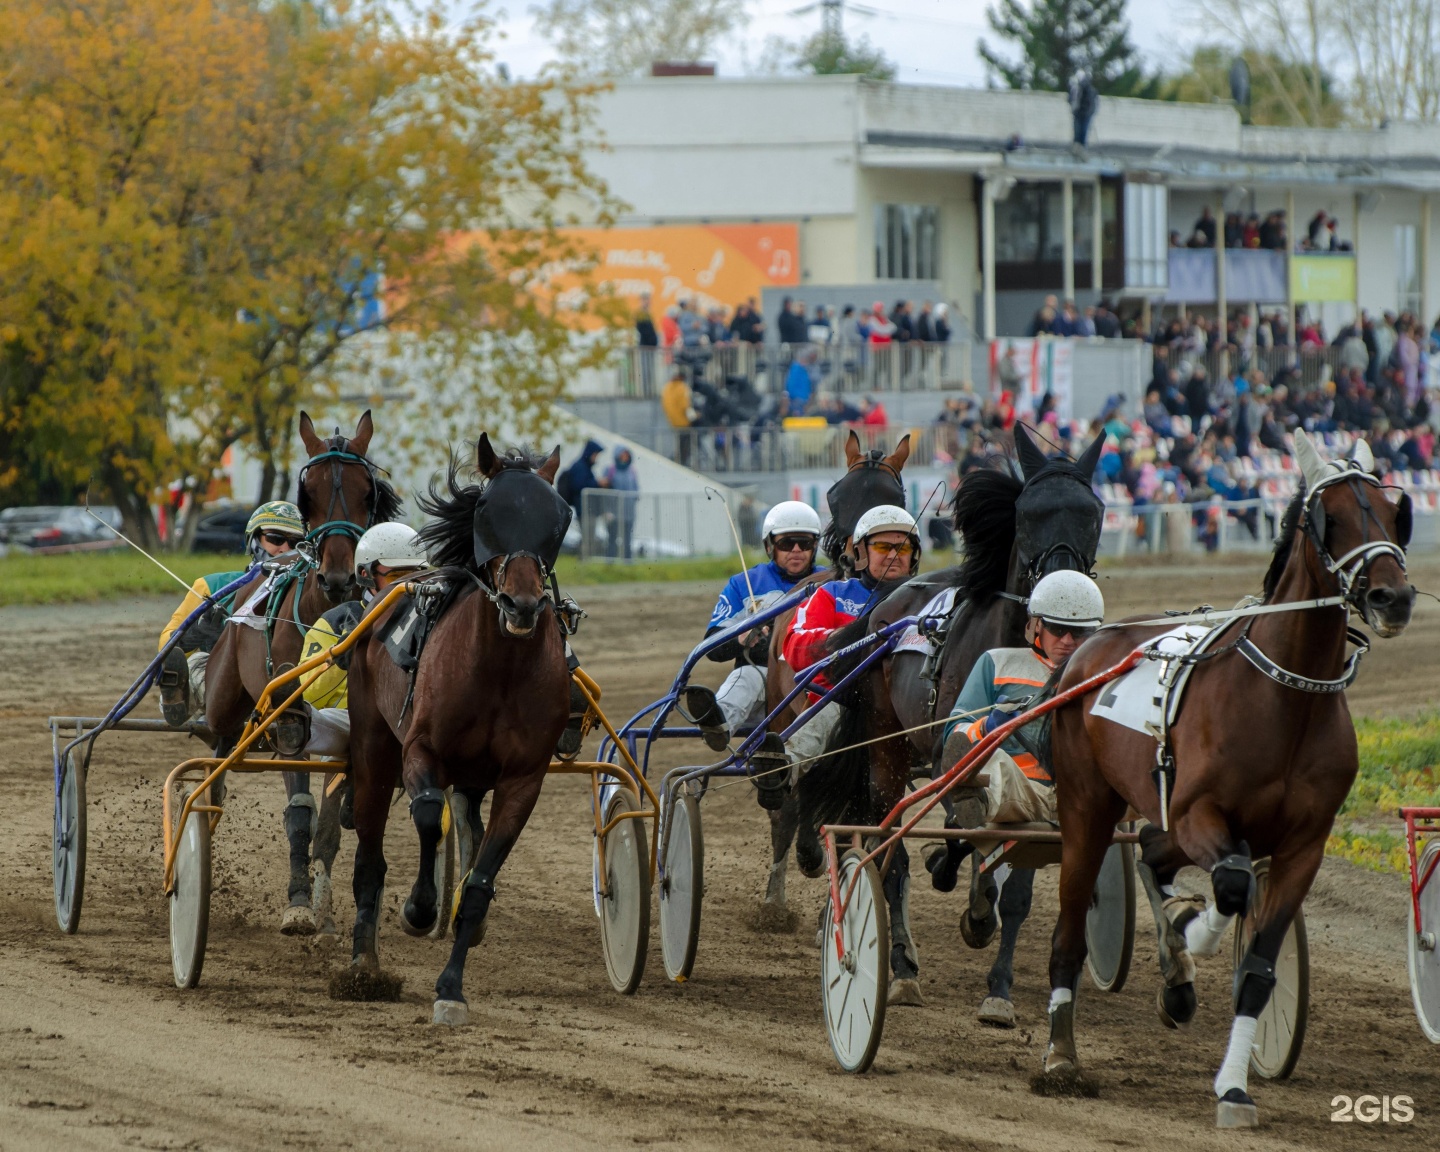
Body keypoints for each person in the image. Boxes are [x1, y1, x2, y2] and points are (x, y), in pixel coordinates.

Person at [924, 570, 1106, 897]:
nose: (1067, 641)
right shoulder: (997, 663)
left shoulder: (1105, 673)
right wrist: (988, 728)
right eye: (1057, 628)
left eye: (1079, 633)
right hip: (1021, 793)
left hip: (1082, 797)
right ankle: (974, 801)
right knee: (995, 764)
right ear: (1036, 625)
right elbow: (956, 732)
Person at [679, 502, 825, 774]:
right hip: (762, 687)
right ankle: (719, 722)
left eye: (804, 543)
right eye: (787, 543)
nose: (796, 550)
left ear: (815, 546)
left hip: (813, 682)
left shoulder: (830, 583)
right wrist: (740, 638)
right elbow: (711, 645)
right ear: (770, 546)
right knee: (747, 676)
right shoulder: (744, 583)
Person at [272, 522, 433, 763]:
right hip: (355, 722)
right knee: (322, 717)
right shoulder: (336, 622)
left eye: (417, 574)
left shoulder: (433, 618)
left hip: (419, 721)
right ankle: (296, 723)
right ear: (365, 575)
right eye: (398, 576)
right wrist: (340, 662)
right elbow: (310, 694)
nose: (410, 584)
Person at [782, 505, 920, 779]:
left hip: (908, 707)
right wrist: (840, 640)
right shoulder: (832, 594)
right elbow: (794, 646)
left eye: (903, 548)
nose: (893, 555)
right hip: (841, 700)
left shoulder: (926, 600)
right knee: (820, 720)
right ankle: (783, 771)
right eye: (883, 546)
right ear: (860, 552)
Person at [157, 500, 305, 727]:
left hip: (280, 680)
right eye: (275, 539)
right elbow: (166, 645)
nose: (285, 549)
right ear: (254, 540)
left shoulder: (304, 597)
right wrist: (193, 635)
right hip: (221, 684)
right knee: (197, 661)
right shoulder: (212, 585)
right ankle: (176, 694)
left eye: (296, 543)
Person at [558, 440, 604, 557]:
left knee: (589, 538)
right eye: (595, 454)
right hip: (584, 509)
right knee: (587, 539)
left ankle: (586, 561)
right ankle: (585, 563)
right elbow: (579, 485)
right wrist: (597, 483)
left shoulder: (584, 467)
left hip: (588, 509)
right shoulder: (580, 467)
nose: (596, 458)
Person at [602, 446, 640, 559]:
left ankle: (627, 561)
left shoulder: (632, 471)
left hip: (629, 512)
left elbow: (636, 489)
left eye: (626, 456)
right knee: (612, 537)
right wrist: (606, 510)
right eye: (622, 455)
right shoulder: (610, 470)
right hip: (613, 512)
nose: (624, 458)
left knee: (627, 538)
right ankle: (610, 561)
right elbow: (604, 490)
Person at [661, 369, 696, 466]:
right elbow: (685, 406)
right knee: (686, 442)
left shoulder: (667, 387)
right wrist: (695, 416)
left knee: (680, 441)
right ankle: (683, 461)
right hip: (683, 421)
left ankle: (679, 459)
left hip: (673, 421)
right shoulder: (682, 388)